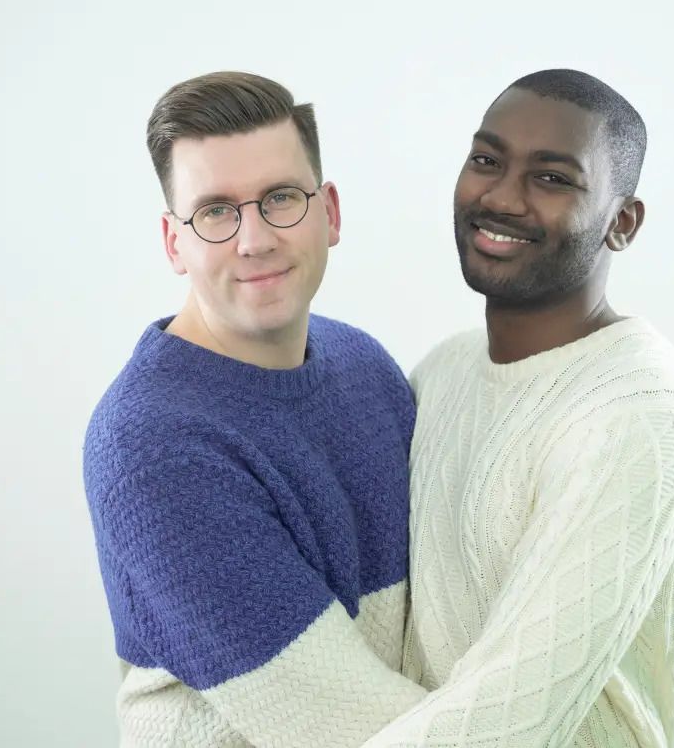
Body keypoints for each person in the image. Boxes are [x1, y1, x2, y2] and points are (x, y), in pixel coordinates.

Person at [362, 69, 674, 747]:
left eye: (552, 178)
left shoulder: (643, 408)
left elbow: (513, 714)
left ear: (622, 223)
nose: (501, 197)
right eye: (486, 160)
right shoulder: (441, 372)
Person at [82, 71, 428, 747]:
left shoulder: (365, 367)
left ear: (330, 212)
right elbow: (346, 727)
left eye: (280, 198)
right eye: (215, 211)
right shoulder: (151, 448)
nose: (255, 239)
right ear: (173, 243)